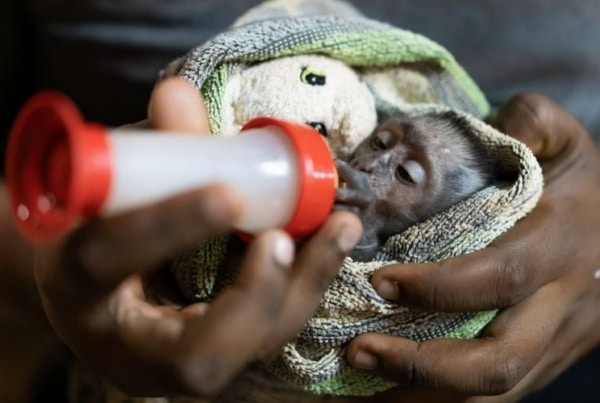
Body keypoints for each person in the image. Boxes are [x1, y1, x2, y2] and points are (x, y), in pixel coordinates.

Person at [1, 1, 599, 402]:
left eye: (406, 172)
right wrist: (49, 272)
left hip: (556, 331)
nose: (370, 162)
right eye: (383, 142)